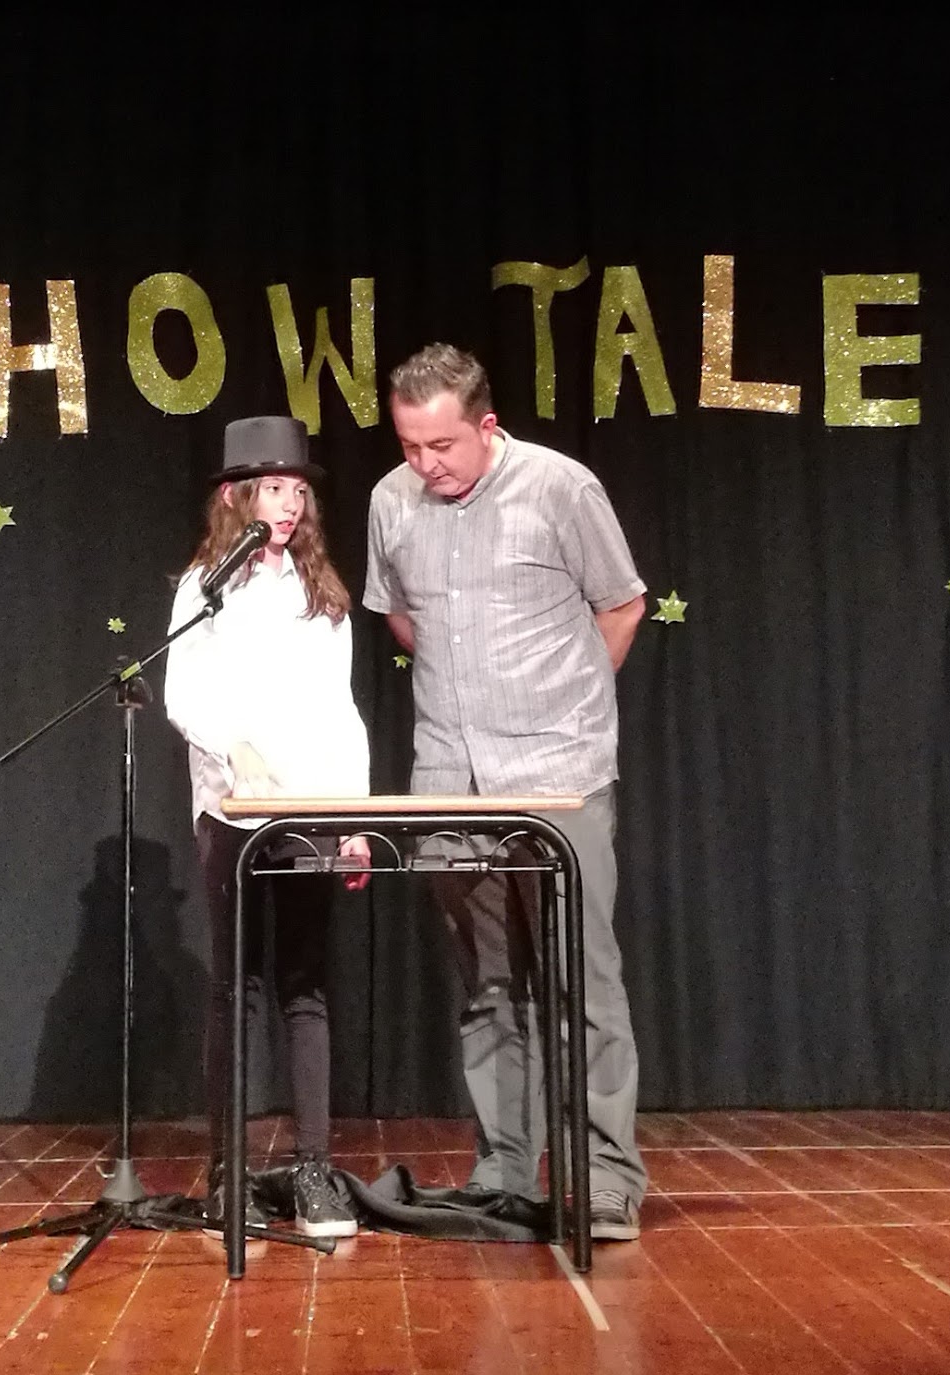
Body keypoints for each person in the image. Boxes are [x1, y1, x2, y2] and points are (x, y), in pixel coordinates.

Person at [363, 343, 649, 1240]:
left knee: (581, 983)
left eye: (442, 444)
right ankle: (503, 1165)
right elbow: (402, 616)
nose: (425, 463)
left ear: (486, 425)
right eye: (410, 445)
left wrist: (567, 703)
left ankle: (605, 1176)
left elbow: (622, 604)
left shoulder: (561, 487)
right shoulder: (390, 500)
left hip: (559, 776)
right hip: (451, 779)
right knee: (488, 986)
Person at [164, 414, 371, 1240]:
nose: (288, 503)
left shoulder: (319, 594)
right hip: (234, 811)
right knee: (236, 986)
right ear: (235, 496)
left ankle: (314, 1168)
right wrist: (232, 745)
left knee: (305, 986)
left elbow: (341, 709)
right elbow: (183, 691)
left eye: (297, 490)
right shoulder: (205, 585)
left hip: (313, 808)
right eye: (272, 488)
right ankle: (229, 1171)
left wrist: (352, 816)